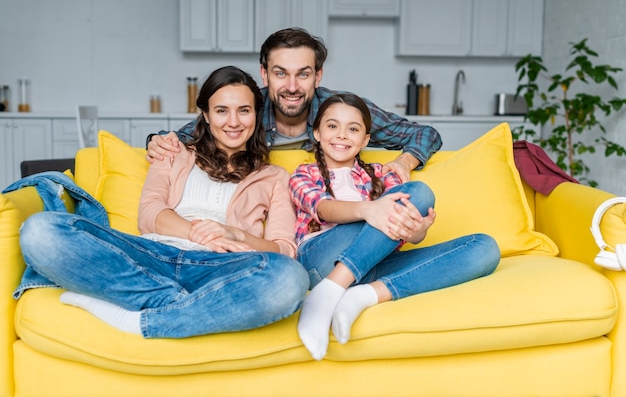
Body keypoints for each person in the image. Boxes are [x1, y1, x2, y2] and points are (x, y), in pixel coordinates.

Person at [17, 66, 309, 339]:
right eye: (221, 110)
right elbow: (150, 214)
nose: (233, 122)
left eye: (243, 110)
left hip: (222, 268)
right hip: (151, 256)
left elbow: (284, 250)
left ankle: (143, 318)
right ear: (206, 114)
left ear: (257, 114)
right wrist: (198, 232)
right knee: (39, 231)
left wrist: (235, 234)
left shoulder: (274, 176)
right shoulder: (172, 151)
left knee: (291, 279)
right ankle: (179, 302)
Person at [289, 93, 501, 360]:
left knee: (484, 248)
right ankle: (330, 289)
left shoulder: (382, 174)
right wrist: (369, 210)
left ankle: (365, 295)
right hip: (323, 259)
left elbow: (402, 221)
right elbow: (323, 209)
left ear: (366, 139)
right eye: (332, 126)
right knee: (411, 195)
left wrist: (416, 232)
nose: (342, 135)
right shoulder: (303, 174)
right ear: (317, 133)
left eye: (353, 129)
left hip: (376, 263)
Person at [147, 27, 442, 183]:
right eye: (280, 73)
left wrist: (405, 162)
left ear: (318, 75)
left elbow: (426, 134)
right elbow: (178, 138)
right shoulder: (246, 110)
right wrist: (156, 142)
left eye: (303, 74)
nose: (291, 87)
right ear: (264, 74)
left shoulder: (341, 111)